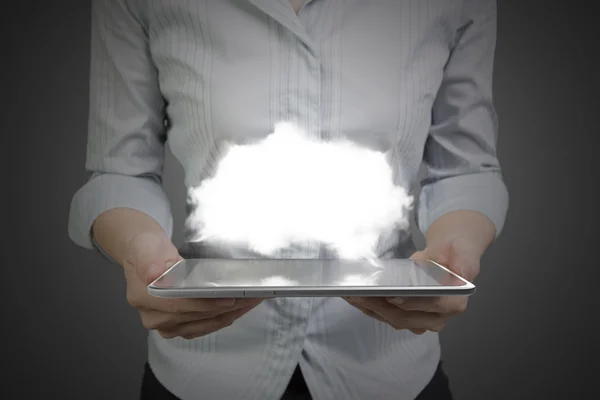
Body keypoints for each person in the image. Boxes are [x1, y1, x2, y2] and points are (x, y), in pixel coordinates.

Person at [68, 1, 509, 399]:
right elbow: (120, 172)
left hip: (387, 370)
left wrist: (458, 251)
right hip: (205, 373)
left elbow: (465, 167)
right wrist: (140, 251)